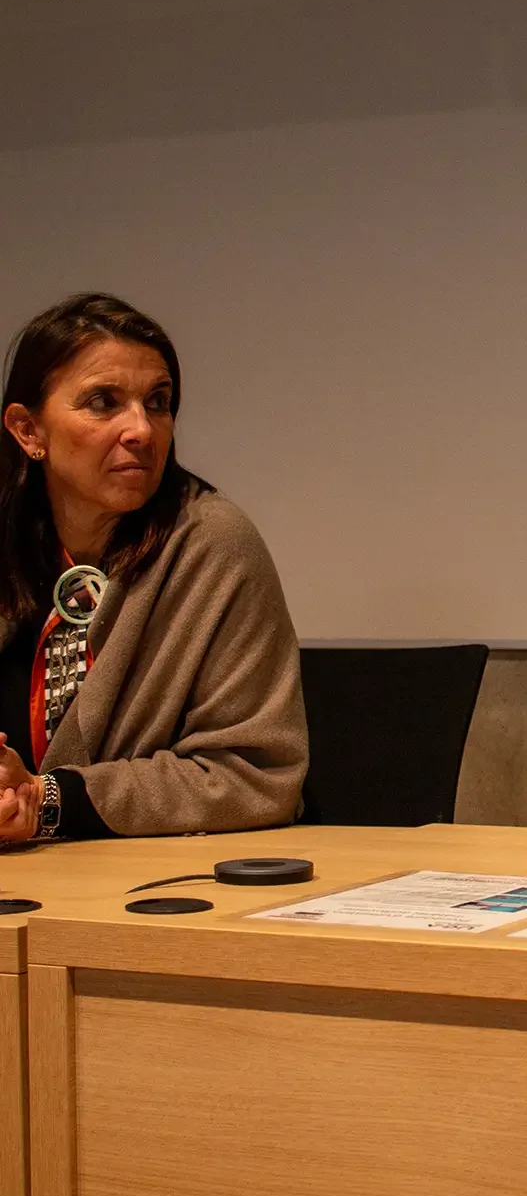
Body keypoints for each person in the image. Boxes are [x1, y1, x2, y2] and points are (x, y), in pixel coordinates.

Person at [0, 293, 306, 843]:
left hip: (142, 885)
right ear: (28, 431)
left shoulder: (212, 544)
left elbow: (254, 776)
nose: (141, 429)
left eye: (158, 402)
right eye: (103, 402)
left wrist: (46, 801)